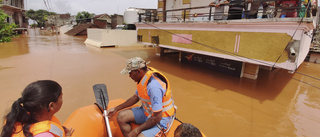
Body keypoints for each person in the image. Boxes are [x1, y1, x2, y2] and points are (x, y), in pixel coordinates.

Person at [107, 57, 176, 137]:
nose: (129, 76)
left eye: (130, 73)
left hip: (161, 120)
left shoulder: (153, 87)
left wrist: (137, 130)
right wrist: (116, 109)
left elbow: (157, 117)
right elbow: (135, 97)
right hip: (148, 113)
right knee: (121, 116)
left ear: (138, 71)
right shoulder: (142, 79)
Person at [1, 80, 74, 137]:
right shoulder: (45, 135)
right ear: (51, 106)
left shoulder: (18, 120)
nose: (62, 99)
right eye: (61, 97)